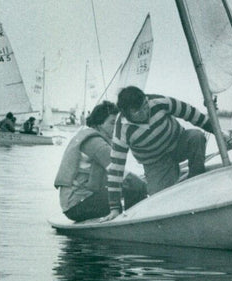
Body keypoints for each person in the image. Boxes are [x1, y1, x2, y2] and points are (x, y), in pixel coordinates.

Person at [104, 87, 215, 219]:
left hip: (178, 144)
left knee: (196, 136)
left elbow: (192, 114)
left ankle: (196, 183)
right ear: (125, 113)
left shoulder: (158, 102)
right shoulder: (121, 131)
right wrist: (115, 208)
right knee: (160, 204)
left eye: (145, 106)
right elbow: (116, 170)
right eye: (137, 111)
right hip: (156, 163)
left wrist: (220, 134)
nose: (145, 113)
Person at [54, 100, 147, 222]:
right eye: (112, 123)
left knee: (134, 186)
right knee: (137, 187)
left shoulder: (89, 137)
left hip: (73, 204)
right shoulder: (95, 143)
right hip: (78, 205)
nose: (116, 127)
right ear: (99, 123)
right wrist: (150, 188)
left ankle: (130, 218)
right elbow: (118, 173)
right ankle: (135, 223)